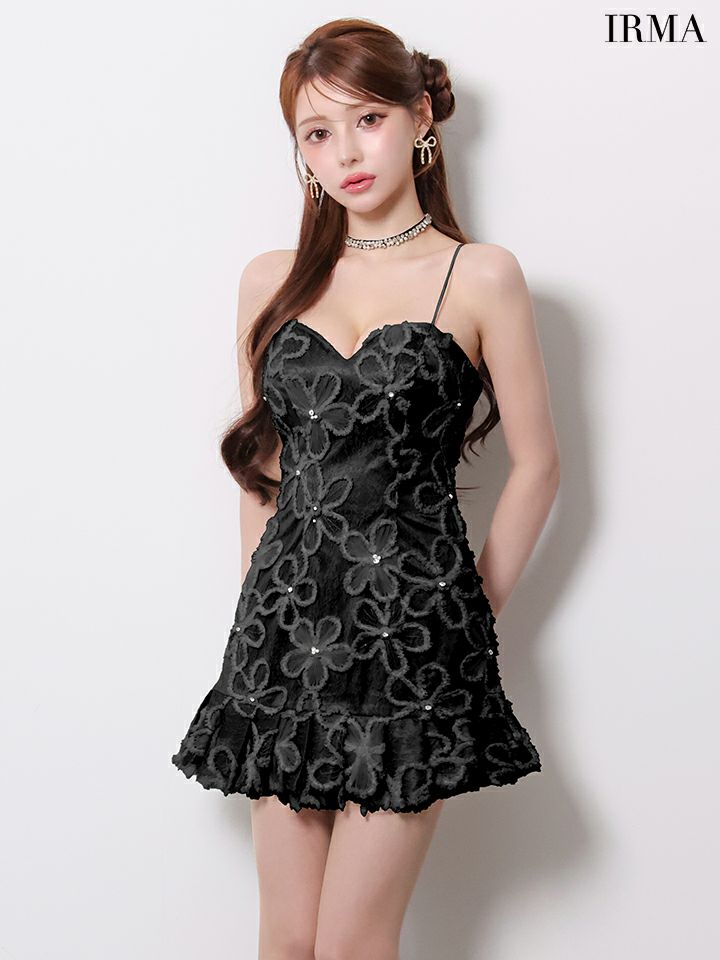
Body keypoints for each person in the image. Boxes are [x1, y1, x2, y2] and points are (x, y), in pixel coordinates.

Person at [171, 17, 560, 960]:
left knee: (353, 944)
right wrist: (253, 617)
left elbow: (540, 464)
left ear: (421, 116)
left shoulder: (481, 275)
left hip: (412, 642)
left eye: (368, 119)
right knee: (286, 942)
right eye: (317, 132)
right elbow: (263, 469)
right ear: (300, 152)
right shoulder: (271, 281)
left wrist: (470, 610)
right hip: (282, 638)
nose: (344, 152)